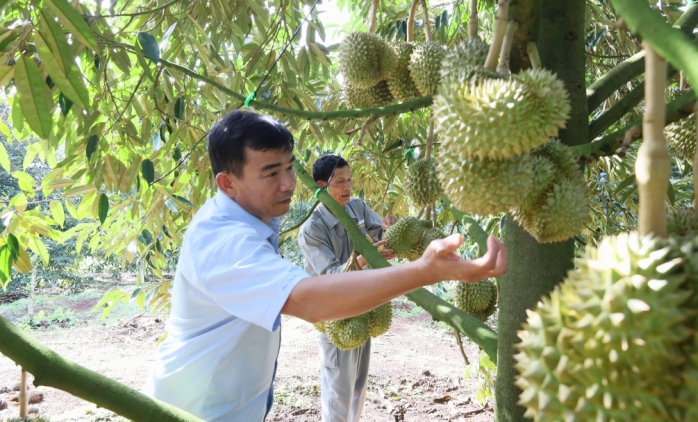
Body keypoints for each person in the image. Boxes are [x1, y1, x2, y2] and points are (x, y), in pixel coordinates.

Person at [145, 109, 508, 422]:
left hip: (234, 403)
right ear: (227, 183)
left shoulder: (252, 219)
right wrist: (424, 271)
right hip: (196, 409)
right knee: (338, 386)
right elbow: (309, 300)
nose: (288, 183)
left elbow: (376, 232)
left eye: (289, 168)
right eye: (272, 173)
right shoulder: (223, 241)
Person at [297, 155, 397, 422]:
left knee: (358, 388)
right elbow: (330, 277)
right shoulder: (311, 230)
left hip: (363, 306)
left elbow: (385, 238)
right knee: (338, 393)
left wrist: (390, 228)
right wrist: (364, 257)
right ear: (322, 184)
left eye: (349, 179)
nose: (347, 186)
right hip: (335, 315)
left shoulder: (358, 207)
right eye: (340, 181)